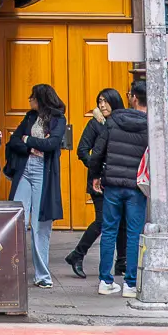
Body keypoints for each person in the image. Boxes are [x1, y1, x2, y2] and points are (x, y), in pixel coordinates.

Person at [90, 78, 149, 297]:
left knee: (109, 231)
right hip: (136, 186)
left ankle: (106, 281)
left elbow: (98, 152)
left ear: (133, 97)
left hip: (113, 184)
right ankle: (130, 285)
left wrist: (95, 176)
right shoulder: (151, 125)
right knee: (134, 234)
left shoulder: (113, 121)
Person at [6, 83, 67, 288]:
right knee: (17, 220)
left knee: (40, 226)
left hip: (43, 172)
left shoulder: (58, 119)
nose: (29, 100)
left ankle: (43, 276)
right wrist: (32, 145)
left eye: (32, 97)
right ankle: (13, 271)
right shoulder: (30, 117)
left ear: (40, 99)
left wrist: (28, 139)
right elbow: (13, 141)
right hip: (25, 169)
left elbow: (52, 144)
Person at [64, 88, 128, 280]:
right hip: (98, 181)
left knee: (123, 221)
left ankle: (122, 262)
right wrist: (97, 167)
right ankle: (77, 254)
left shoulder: (122, 121)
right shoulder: (96, 124)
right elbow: (82, 150)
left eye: (105, 101)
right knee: (102, 221)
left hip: (119, 178)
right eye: (99, 101)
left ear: (114, 102)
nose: (102, 105)